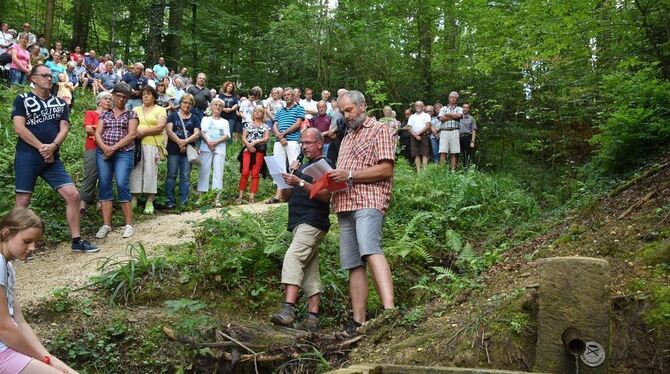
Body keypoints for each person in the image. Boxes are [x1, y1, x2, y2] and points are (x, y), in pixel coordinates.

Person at [326, 90, 396, 336]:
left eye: (349, 110)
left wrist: (350, 175)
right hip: (344, 204)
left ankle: (390, 312)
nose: (346, 116)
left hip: (369, 200)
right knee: (353, 263)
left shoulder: (380, 130)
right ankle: (359, 322)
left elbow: (386, 168)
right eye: (343, 112)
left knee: (370, 248)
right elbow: (343, 174)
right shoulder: (345, 138)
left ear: (362, 106)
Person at [12, 65, 98, 253]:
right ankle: (15, 245)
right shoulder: (23, 99)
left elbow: (64, 127)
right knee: (23, 201)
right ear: (33, 78)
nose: (49, 79)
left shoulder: (60, 102)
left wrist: (53, 147)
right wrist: (41, 147)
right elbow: (19, 127)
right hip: (28, 156)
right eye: (45, 75)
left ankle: (76, 241)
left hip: (52, 157)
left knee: (73, 195)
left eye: (51, 76)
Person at [0, 208, 79, 374]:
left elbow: (19, 321)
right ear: (5, 233)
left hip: (7, 348)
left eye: (35, 242)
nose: (32, 247)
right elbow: (4, 327)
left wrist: (48, 358)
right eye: (27, 241)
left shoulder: (7, 266)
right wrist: (44, 360)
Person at [270, 128, 334, 333]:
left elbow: (326, 196)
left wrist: (299, 180)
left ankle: (288, 310)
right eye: (302, 143)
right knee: (309, 268)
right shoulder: (302, 167)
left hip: (313, 221)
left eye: (308, 142)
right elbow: (287, 197)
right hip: (299, 222)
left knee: (293, 257)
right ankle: (313, 319)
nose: (304, 146)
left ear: (319, 143)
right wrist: (287, 179)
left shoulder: (325, 166)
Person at [94, 83, 138, 239]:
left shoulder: (131, 114)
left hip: (124, 153)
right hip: (103, 152)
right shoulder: (105, 114)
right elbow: (98, 133)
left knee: (121, 183)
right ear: (113, 95)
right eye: (119, 96)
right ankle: (106, 224)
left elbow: (132, 135)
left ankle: (129, 225)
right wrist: (105, 147)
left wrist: (113, 148)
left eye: (124, 97)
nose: (121, 99)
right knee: (105, 184)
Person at [131, 86, 167, 214]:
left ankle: (149, 201)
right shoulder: (136, 109)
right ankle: (134, 198)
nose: (145, 96)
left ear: (154, 96)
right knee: (135, 171)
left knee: (151, 172)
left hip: (153, 144)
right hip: (137, 144)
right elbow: (130, 125)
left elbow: (161, 127)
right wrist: (136, 133)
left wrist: (143, 131)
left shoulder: (160, 110)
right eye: (143, 94)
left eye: (149, 94)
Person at [266, 87, 304, 204]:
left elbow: (298, 124)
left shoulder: (299, 108)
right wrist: (279, 136)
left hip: (292, 140)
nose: (287, 96)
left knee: (294, 165)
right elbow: (275, 125)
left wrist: (283, 134)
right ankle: (279, 195)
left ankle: (296, 194)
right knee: (279, 167)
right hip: (279, 141)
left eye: (289, 95)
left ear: (293, 96)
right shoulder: (280, 111)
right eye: (285, 95)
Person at [166, 94, 201, 209]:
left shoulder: (195, 118)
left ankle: (183, 201)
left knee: (185, 176)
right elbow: (169, 131)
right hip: (173, 149)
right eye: (185, 102)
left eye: (189, 103)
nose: (187, 105)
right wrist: (179, 142)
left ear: (192, 105)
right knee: (171, 175)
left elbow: (197, 134)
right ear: (180, 103)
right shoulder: (172, 115)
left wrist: (184, 141)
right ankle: (169, 201)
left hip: (188, 151)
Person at [79, 92, 111, 216]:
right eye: (105, 98)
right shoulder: (91, 113)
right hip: (92, 147)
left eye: (110, 99)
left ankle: (100, 203)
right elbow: (88, 129)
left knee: (105, 176)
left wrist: (95, 129)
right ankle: (82, 204)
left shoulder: (111, 116)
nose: (108, 100)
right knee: (90, 174)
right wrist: (101, 134)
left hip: (107, 148)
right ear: (99, 101)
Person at [196, 97, 229, 207]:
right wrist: (209, 142)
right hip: (206, 147)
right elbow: (202, 132)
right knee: (204, 171)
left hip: (219, 149)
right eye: (216, 105)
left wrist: (215, 142)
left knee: (218, 173)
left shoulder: (225, 122)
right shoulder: (205, 119)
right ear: (211, 106)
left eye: (220, 106)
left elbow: (226, 135)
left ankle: (217, 198)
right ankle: (201, 197)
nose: (218, 107)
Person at [237, 105, 270, 204]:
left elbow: (266, 138)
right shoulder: (248, 125)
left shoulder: (266, 126)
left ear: (263, 114)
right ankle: (240, 195)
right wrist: (248, 145)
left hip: (259, 150)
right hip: (247, 149)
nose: (257, 113)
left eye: (260, 111)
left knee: (255, 174)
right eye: (255, 111)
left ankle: (252, 196)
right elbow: (243, 137)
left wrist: (255, 142)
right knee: (245, 172)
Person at [437, 91, 463, 171]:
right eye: (452, 97)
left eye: (455, 98)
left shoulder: (460, 108)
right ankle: (442, 171)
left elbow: (460, 116)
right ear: (449, 98)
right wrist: (454, 116)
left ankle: (453, 172)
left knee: (454, 152)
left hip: (455, 131)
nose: (453, 99)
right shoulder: (443, 108)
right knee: (442, 151)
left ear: (457, 99)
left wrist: (447, 115)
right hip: (444, 131)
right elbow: (441, 118)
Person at [408, 101, 432, 172]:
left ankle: (424, 172)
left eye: (420, 105)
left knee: (425, 153)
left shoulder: (426, 115)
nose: (418, 106)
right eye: (416, 105)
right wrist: (415, 135)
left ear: (423, 106)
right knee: (416, 154)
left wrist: (418, 133)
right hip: (413, 136)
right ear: (415, 107)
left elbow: (428, 126)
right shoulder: (412, 116)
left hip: (423, 136)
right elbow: (409, 128)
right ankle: (418, 172)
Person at [459, 103, 477, 168]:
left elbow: (474, 130)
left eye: (467, 107)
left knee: (466, 154)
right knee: (457, 153)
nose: (465, 109)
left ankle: (466, 168)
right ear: (462, 108)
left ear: (469, 109)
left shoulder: (471, 118)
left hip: (467, 137)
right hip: (458, 137)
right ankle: (456, 169)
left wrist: (472, 142)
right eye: (464, 107)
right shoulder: (458, 117)